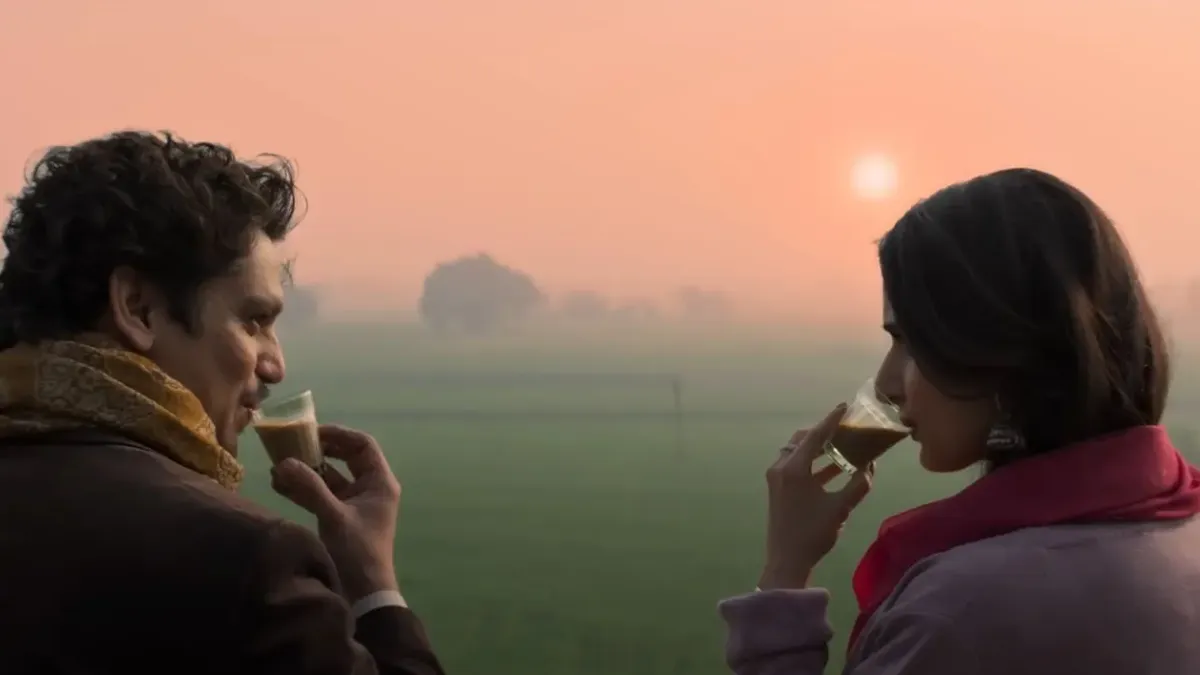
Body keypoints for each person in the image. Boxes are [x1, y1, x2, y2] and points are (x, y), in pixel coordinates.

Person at [719, 168, 1200, 674]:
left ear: (999, 351)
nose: (886, 384)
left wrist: (785, 568)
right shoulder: (1183, 527)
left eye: (910, 343)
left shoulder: (957, 612)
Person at [0, 131, 444, 674]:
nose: (275, 365)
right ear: (137, 308)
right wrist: (374, 586)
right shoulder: (248, 559)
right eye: (253, 321)